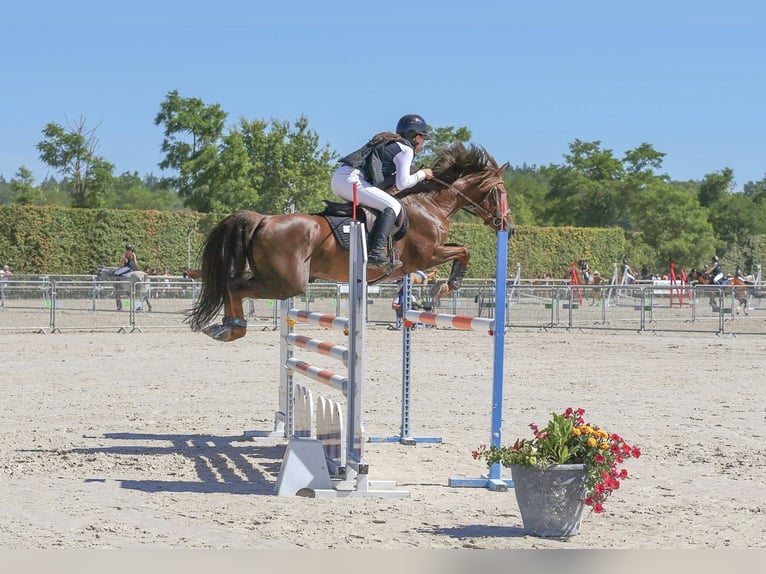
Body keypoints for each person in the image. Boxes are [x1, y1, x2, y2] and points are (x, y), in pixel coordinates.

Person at [332, 114, 434, 270]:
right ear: (417, 137)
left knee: (382, 204)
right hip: (351, 180)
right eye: (424, 139)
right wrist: (422, 174)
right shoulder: (406, 148)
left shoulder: (392, 144)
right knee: (393, 206)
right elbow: (403, 182)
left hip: (342, 179)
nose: (423, 144)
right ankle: (376, 252)